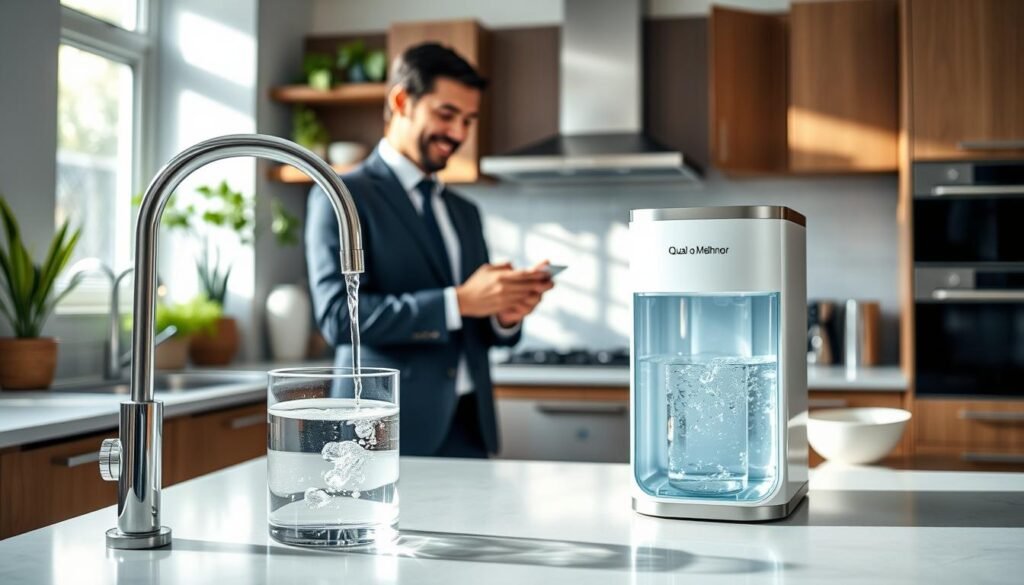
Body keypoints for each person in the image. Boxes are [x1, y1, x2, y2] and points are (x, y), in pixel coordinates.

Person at [306, 42, 553, 458]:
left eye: (468, 120)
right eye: (446, 114)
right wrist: (456, 302)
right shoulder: (343, 195)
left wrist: (503, 314)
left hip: (469, 425)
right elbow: (337, 318)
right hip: (382, 431)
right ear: (402, 100)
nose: (458, 133)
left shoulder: (464, 211)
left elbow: (474, 321)